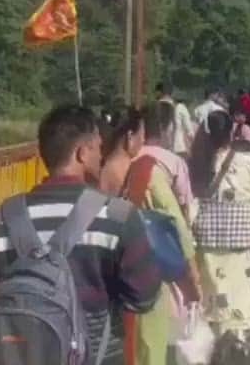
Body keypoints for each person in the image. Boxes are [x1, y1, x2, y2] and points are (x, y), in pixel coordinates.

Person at [0, 105, 160, 365]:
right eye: (98, 147)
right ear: (81, 153)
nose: (102, 156)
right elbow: (144, 297)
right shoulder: (117, 216)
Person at [97, 108, 200, 365]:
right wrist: (191, 276)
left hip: (100, 283)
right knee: (147, 352)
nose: (143, 140)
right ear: (129, 137)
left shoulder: (93, 173)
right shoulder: (146, 173)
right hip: (143, 284)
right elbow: (176, 225)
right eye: (141, 134)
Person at [189, 110, 250, 360]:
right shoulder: (248, 162)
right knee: (239, 295)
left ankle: (212, 344)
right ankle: (237, 344)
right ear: (231, 132)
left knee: (211, 296)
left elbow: (190, 202)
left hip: (206, 240)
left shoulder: (197, 163)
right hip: (240, 243)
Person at [157, 82, 196, 159]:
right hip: (177, 149)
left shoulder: (155, 107)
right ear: (171, 93)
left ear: (159, 92)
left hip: (160, 150)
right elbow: (189, 131)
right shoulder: (180, 107)